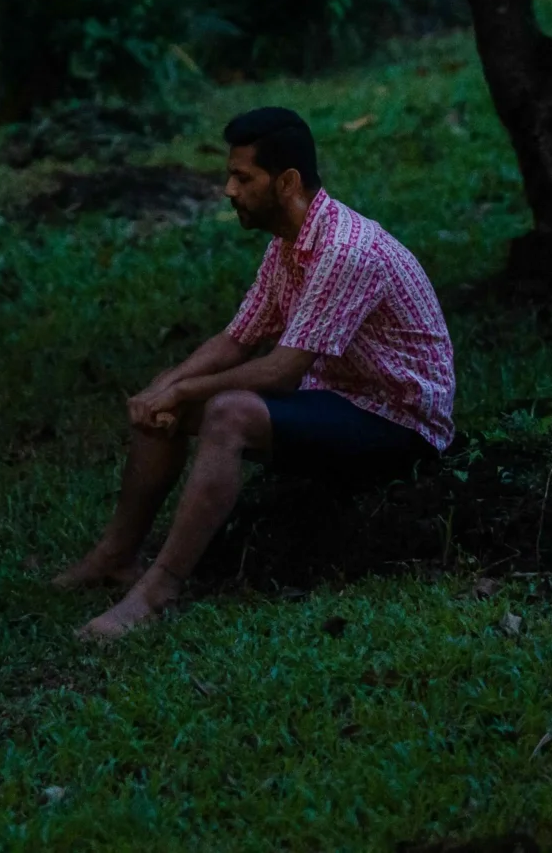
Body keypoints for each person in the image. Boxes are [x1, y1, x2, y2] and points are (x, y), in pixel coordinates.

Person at [54, 106, 455, 640]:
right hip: (340, 396)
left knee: (228, 413)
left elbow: (283, 371)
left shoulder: (346, 250)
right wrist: (166, 386)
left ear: (286, 181)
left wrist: (185, 388)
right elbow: (237, 338)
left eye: (242, 177)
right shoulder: (287, 247)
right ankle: (115, 556)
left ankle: (158, 591)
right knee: (175, 398)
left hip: (401, 422)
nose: (228, 190)